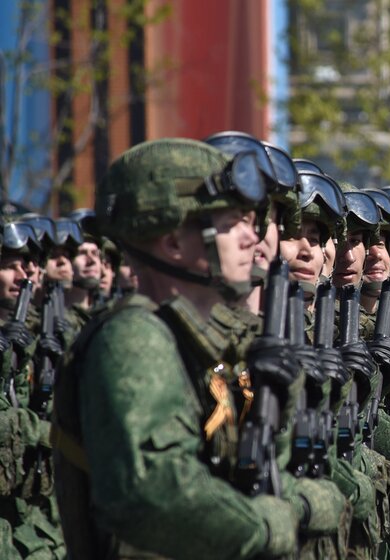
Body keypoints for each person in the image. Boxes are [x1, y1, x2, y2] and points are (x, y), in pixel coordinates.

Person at [52, 138, 303, 559]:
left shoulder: (203, 340)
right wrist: (266, 525)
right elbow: (152, 494)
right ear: (172, 243)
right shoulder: (136, 338)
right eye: (229, 224)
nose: (250, 238)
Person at [0, 220, 66, 558]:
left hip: (25, 513)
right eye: (9, 267)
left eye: (24, 267)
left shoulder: (27, 337)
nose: (22, 276)